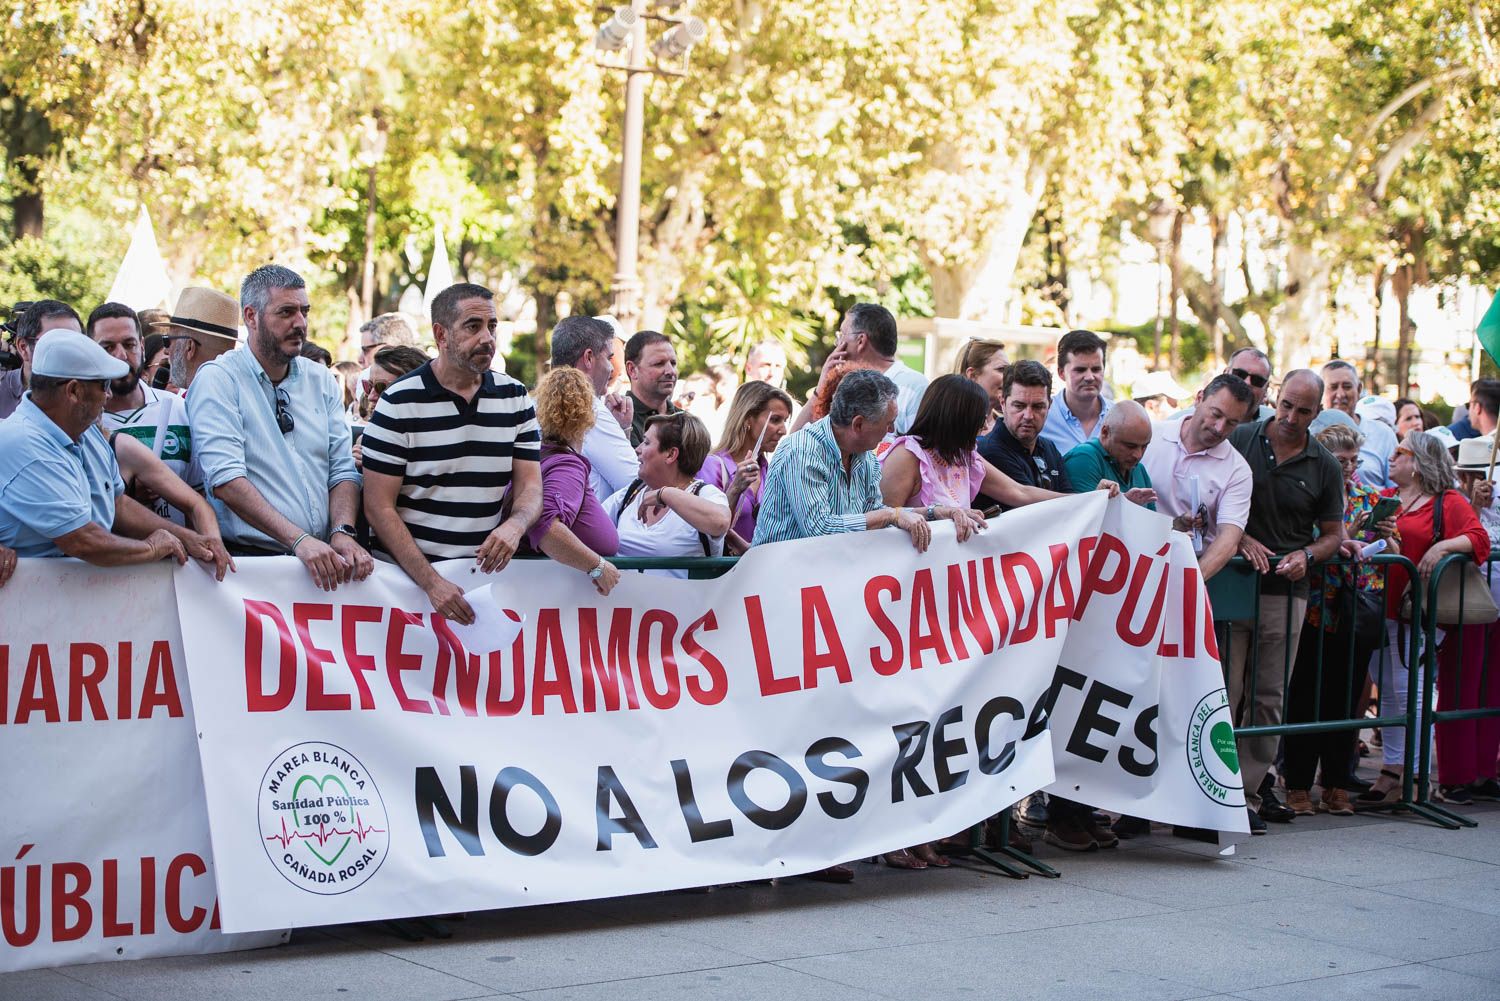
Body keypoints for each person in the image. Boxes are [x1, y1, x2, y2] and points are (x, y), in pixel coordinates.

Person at [360, 282, 541, 622]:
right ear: (441, 335)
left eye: (492, 326)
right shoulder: (398, 402)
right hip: (403, 590)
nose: (487, 338)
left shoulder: (515, 397)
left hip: (478, 584)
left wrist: (516, 525)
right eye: (473, 327)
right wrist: (431, 583)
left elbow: (531, 487)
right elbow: (378, 507)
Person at [188, 265, 374, 590]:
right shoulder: (219, 379)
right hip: (252, 570)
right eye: (286, 312)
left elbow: (342, 470)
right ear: (251, 316)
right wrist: (298, 540)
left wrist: (342, 532)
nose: (300, 323)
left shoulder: (320, 380)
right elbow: (227, 480)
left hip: (322, 560)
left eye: (304, 311)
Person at [1227, 370, 1345, 833]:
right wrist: (1240, 540)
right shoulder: (1240, 438)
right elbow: (1214, 504)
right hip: (1235, 584)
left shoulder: (1324, 464)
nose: (1292, 417)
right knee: (1223, 690)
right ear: (1275, 398)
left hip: (1287, 591)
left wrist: (1307, 554)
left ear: (1317, 414)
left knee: (1268, 697)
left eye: (1303, 411)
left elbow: (1335, 535)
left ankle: (1248, 794)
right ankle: (1211, 788)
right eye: (1287, 405)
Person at [1356, 431, 1492, 808]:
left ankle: (1412, 775)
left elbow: (1477, 538)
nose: (1392, 457)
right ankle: (1393, 769)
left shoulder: (1447, 501)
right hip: (1381, 606)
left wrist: (1442, 546)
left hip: (1417, 610)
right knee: (1390, 692)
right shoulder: (1386, 498)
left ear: (1419, 461)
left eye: (1401, 451)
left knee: (1410, 692)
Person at [0, 331, 194, 568]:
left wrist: (185, 538)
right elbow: (82, 540)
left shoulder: (85, 430)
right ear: (73, 391)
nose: (109, 394)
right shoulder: (24, 443)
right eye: (103, 385)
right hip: (32, 601)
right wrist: (152, 547)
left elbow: (116, 503)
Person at [1282, 422, 1397, 818]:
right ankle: (1297, 784)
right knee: (1304, 697)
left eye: (1354, 460)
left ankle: (1336, 784)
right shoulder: (1313, 493)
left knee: (1345, 702)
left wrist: (1386, 535)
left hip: (1358, 608)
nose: (1349, 468)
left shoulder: (1370, 496)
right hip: (1316, 605)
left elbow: (1393, 549)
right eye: (1341, 460)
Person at [754, 369, 959, 553]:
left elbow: (876, 512)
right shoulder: (802, 450)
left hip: (820, 578)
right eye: (888, 423)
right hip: (780, 582)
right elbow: (819, 528)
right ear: (858, 424)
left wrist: (936, 512)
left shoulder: (864, 454)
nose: (891, 430)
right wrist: (891, 515)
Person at [89, 302, 204, 525]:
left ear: (142, 346)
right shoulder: (80, 422)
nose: (121, 356)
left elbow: (199, 498)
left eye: (129, 344)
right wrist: (127, 495)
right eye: (107, 347)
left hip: (179, 556)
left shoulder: (179, 409)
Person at [1434, 435, 1500, 802]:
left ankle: (1483, 769)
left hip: (1495, 604)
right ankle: (1455, 774)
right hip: (1466, 606)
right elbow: (1464, 539)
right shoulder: (1454, 500)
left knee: (1491, 688)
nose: (1480, 481)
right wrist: (1474, 506)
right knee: (1460, 689)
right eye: (1471, 474)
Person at [1141, 373, 1256, 580]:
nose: (1220, 428)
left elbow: (1228, 540)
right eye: (1216, 414)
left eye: (1231, 423)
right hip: (1135, 562)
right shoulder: (1151, 436)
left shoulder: (1237, 470)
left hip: (1191, 568)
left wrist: (1189, 583)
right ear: (1199, 398)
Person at [521, 368, 621, 595]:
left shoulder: (539, 457)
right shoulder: (566, 466)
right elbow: (545, 527)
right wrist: (598, 567)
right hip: (557, 599)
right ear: (587, 414)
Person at [602, 411, 731, 578]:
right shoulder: (630, 494)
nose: (637, 449)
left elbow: (720, 522)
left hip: (684, 604)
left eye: (646, 443)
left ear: (671, 454)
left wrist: (665, 494)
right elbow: (589, 530)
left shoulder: (704, 493)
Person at [697, 381, 796, 554]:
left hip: (762, 572)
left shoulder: (770, 470)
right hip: (722, 574)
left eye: (785, 421)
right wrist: (735, 488)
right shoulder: (712, 466)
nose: (783, 430)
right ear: (748, 418)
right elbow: (705, 526)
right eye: (775, 420)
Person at [549, 315, 639, 500]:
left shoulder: (532, 403)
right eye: (609, 358)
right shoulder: (589, 410)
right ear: (589, 358)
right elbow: (635, 483)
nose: (611, 369)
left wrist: (622, 429)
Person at [811, 303, 925, 435]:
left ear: (861, 341)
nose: (837, 344)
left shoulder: (914, 387)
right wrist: (822, 387)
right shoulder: (844, 384)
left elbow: (920, 452)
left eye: (841, 335)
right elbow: (800, 438)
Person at [1061, 401, 1157, 509]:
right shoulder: (1083, 459)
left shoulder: (1139, 470)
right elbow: (1084, 518)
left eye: (1144, 446)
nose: (1138, 455)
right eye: (1130, 446)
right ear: (1105, 432)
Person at [0, 300, 83, 421]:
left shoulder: (88, 398)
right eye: (55, 344)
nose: (68, 353)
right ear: (23, 347)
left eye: (77, 344)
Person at [1321, 359, 1396, 488]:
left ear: (1359, 389)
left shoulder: (1383, 434)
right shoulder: (1309, 433)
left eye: (1347, 386)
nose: (1340, 394)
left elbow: (1396, 488)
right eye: (1333, 387)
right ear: (1320, 391)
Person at [154, 287, 241, 389]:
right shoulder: (239, 392)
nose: (166, 350)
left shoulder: (203, 399)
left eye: (167, 341)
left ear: (189, 347)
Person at [1040, 329, 1111, 453]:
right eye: (1080, 370)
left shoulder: (1118, 418)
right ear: (1061, 373)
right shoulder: (1043, 418)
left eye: (1096, 369)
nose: (1089, 377)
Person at [1170, 347, 1276, 424]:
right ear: (1225, 373)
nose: (1247, 382)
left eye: (1257, 380)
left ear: (1266, 388)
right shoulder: (1179, 421)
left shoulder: (1274, 424)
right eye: (1240, 374)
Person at [624, 330, 683, 447]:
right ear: (632, 370)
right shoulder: (618, 419)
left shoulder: (685, 420)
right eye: (659, 363)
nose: (670, 371)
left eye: (673, 363)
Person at [954, 338, 1008, 436]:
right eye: (1001, 369)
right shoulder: (946, 427)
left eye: (1009, 370)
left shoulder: (1010, 429)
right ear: (972, 375)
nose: (1009, 377)